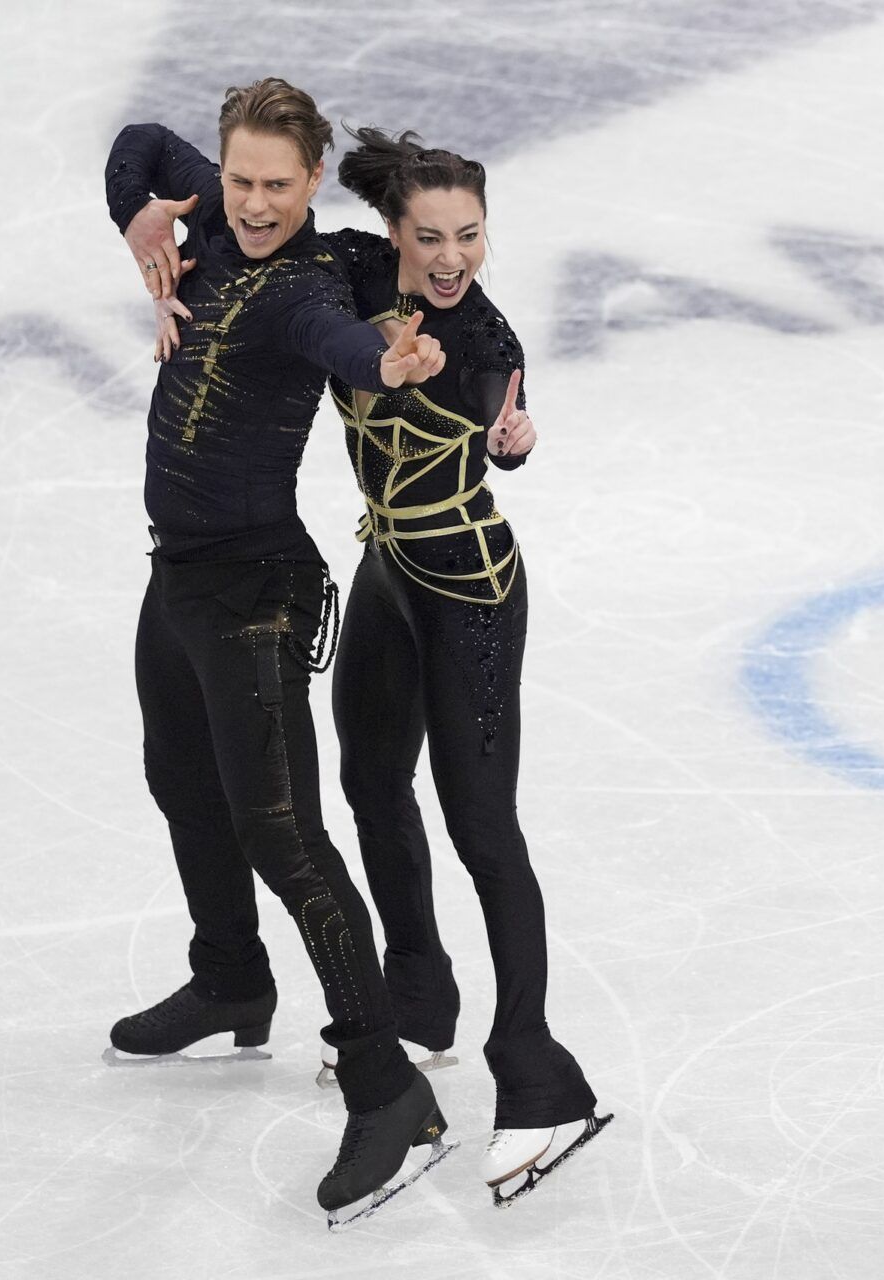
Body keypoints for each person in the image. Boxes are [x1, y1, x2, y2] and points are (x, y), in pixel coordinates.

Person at [127, 122, 611, 1207]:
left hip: (473, 590)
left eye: (472, 236)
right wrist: (159, 218)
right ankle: (419, 991)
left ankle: (538, 1068)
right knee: (367, 784)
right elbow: (287, 266)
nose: (453, 257)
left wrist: (507, 435)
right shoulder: (344, 265)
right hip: (389, 570)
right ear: (393, 230)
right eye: (432, 236)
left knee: (481, 825)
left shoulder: (484, 341)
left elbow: (493, 412)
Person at [102, 80, 452, 1223]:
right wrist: (144, 217)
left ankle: (385, 1082)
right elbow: (135, 146)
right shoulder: (203, 202)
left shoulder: (304, 290)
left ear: (311, 185)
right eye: (237, 180)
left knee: (286, 834)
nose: (251, 204)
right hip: (180, 574)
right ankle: (230, 978)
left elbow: (345, 345)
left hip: (255, 590)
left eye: (276, 185)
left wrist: (390, 362)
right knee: (178, 778)